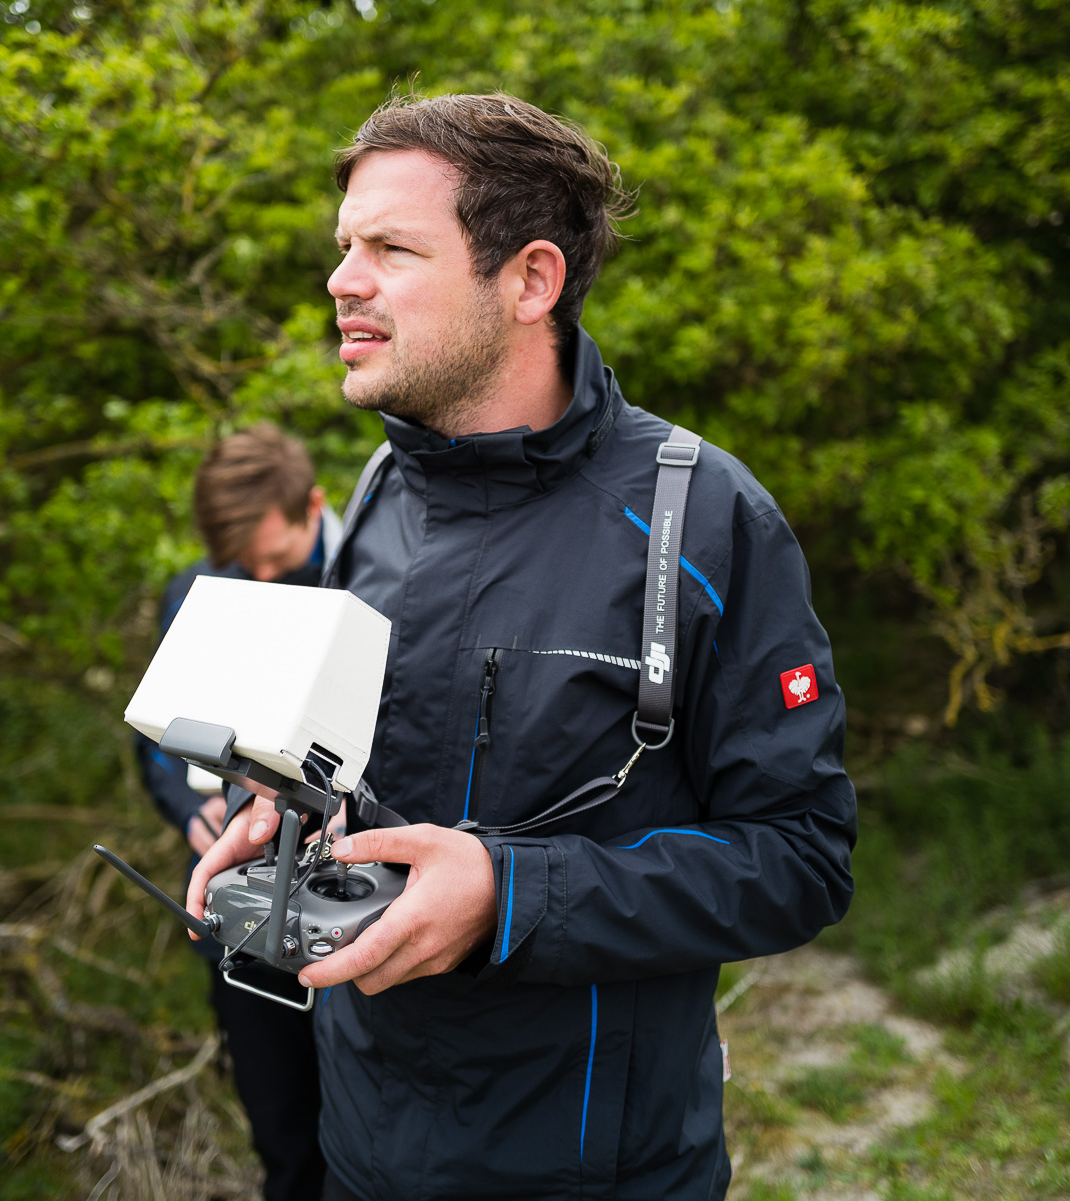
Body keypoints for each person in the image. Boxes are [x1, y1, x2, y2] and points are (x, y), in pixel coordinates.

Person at [187, 94, 857, 1200]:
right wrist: (289, 811)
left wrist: (510, 894)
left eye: (390, 248)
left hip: (602, 1172)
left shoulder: (706, 521)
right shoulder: (377, 493)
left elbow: (801, 858)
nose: (341, 281)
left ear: (532, 281)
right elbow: (366, 775)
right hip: (362, 1155)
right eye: (344, 247)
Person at [135, 423, 340, 1201]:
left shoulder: (371, 583)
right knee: (284, 1143)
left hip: (345, 911)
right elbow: (157, 746)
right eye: (239, 564)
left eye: (273, 558)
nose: (258, 576)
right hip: (236, 922)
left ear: (314, 505)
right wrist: (184, 815)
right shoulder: (194, 591)